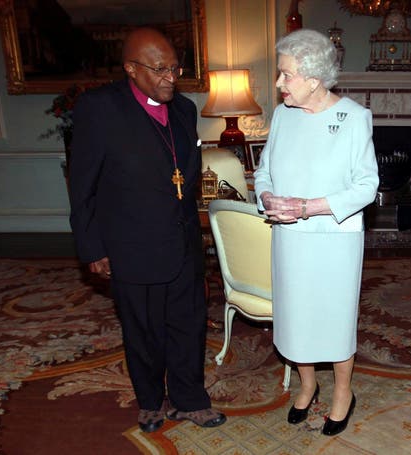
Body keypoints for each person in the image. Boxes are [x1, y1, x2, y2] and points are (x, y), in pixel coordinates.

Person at [68, 27, 225, 433]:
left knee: (188, 325)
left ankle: (191, 400)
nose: (170, 77)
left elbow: (182, 176)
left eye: (175, 67)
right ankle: (151, 401)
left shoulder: (185, 110)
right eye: (159, 69)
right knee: (143, 329)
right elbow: (82, 184)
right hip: (130, 242)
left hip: (183, 240)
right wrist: (91, 247)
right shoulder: (99, 109)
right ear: (131, 70)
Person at [254, 29, 379, 436]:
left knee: (335, 319)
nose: (278, 84)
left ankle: (343, 391)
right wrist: (268, 195)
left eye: (285, 75)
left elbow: (366, 186)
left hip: (335, 239)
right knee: (295, 317)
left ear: (313, 79)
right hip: (289, 238)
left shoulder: (355, 118)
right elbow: (264, 171)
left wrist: (310, 207)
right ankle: (307, 384)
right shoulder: (283, 116)